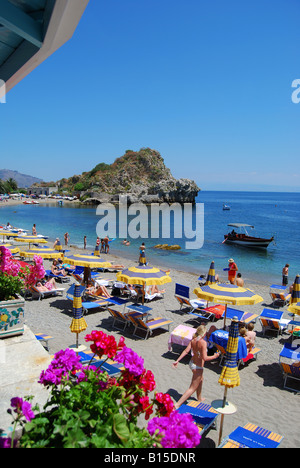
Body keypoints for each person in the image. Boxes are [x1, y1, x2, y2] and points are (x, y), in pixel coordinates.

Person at [172, 325, 220, 408]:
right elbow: (204, 358)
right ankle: (177, 404)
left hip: (191, 363)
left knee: (201, 379)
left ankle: (199, 398)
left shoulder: (193, 340)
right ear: (204, 334)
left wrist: (177, 360)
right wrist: (215, 356)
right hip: (198, 367)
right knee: (192, 388)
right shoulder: (203, 343)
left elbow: (186, 351)